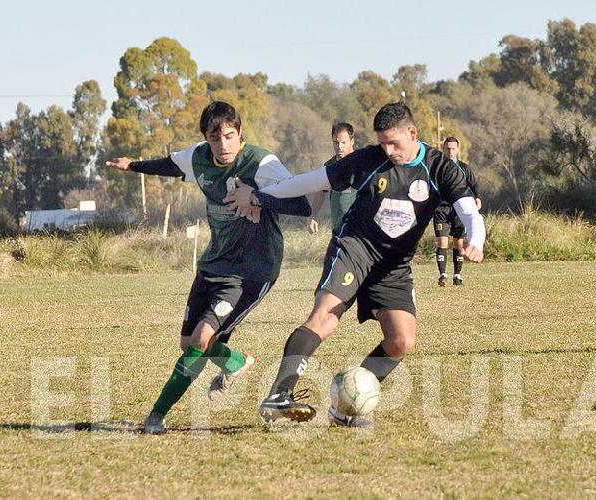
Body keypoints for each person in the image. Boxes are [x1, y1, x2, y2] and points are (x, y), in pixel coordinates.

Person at [225, 102, 486, 428]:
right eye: (383, 143)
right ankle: (280, 395)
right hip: (354, 249)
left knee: (401, 342)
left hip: (394, 266)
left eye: (395, 143)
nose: (388, 151)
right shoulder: (368, 160)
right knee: (325, 317)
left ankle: (345, 407)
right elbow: (310, 181)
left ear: (413, 133)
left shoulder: (439, 168)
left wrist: (476, 240)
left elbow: (468, 210)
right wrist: (261, 196)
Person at [105, 101, 311, 434]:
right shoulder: (199, 156)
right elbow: (171, 165)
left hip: (252, 270)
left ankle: (155, 417)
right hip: (214, 261)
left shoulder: (261, 163)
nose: (224, 145)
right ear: (206, 138)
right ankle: (236, 362)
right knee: (189, 344)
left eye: (230, 136)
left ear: (240, 133)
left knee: (202, 339)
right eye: (216, 138)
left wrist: (257, 196)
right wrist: (133, 166)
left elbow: (303, 204)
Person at [433, 137, 481, 287]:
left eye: (453, 148)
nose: (450, 151)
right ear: (443, 149)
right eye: (448, 148)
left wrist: (477, 198)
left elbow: (474, 185)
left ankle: (457, 276)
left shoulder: (464, 168)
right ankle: (442, 275)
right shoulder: (436, 169)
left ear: (458, 149)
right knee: (442, 241)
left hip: (459, 209)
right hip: (441, 209)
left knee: (458, 243)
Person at [307, 122, 358, 237]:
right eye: (336, 142)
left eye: (343, 143)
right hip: (338, 229)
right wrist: (313, 215)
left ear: (352, 141)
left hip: (359, 229)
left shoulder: (362, 163)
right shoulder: (329, 166)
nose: (339, 147)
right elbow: (321, 193)